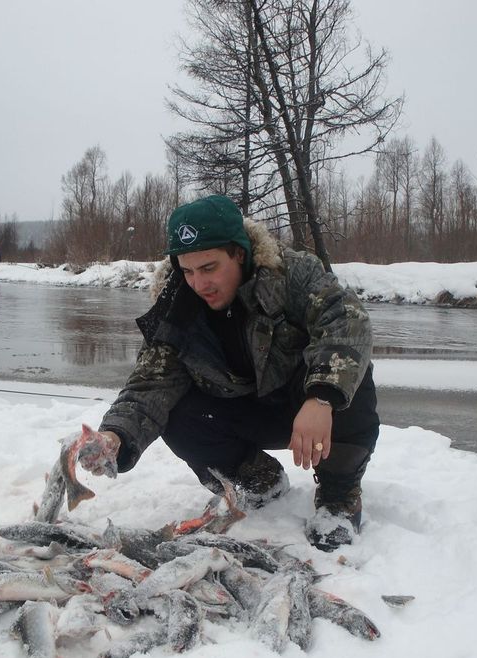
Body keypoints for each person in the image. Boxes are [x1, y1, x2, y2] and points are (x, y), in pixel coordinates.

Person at [81, 195, 379, 552]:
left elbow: (347, 322)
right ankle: (258, 481)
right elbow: (151, 382)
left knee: (349, 376)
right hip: (242, 414)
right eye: (187, 271)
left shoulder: (291, 273)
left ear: (239, 253)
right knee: (176, 410)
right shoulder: (176, 308)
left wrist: (321, 398)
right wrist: (115, 435)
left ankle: (339, 496)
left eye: (209, 268)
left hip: (305, 408)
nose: (199, 283)